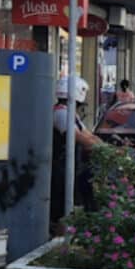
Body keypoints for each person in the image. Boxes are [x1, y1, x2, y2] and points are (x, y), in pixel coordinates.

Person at [51, 76, 103, 223]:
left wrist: (107, 148)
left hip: (72, 165)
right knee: (65, 208)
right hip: (62, 167)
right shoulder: (61, 114)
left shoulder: (70, 113)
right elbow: (79, 137)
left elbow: (89, 135)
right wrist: (101, 148)